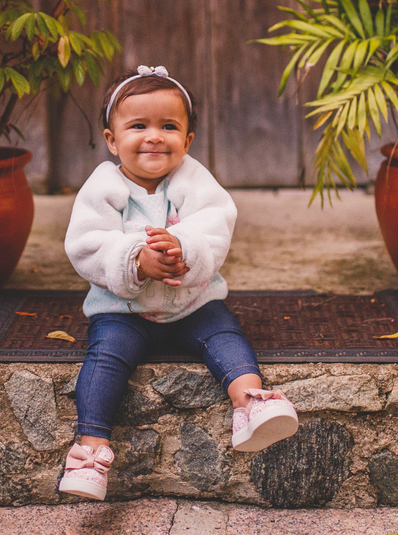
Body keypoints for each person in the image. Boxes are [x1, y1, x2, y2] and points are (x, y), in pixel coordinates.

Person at [58, 65, 298, 501]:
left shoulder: (192, 178)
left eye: (169, 126)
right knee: (105, 358)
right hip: (122, 309)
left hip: (192, 302)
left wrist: (183, 250)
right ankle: (90, 448)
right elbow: (86, 244)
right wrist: (135, 259)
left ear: (187, 140)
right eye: (138, 126)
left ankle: (250, 402)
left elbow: (214, 222)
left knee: (224, 333)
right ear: (112, 140)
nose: (154, 136)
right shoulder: (103, 186)